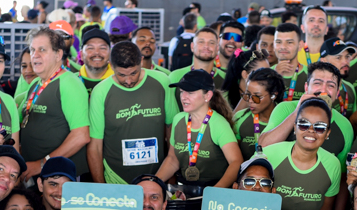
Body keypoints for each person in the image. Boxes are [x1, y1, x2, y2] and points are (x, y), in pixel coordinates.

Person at [262, 97, 343, 210]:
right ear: (294, 127)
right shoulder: (269, 155)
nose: (311, 130)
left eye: (319, 127)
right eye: (304, 124)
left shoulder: (333, 165)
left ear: (327, 133)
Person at [87, 41, 175, 186]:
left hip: (157, 176)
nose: (128, 81)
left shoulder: (162, 81)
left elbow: (172, 131)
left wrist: (171, 176)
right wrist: (102, 187)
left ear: (141, 61)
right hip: (115, 179)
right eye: (121, 75)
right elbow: (95, 146)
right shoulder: (100, 92)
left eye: (134, 73)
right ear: (111, 65)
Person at [19, 25, 91, 178]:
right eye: (32, 50)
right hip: (34, 174)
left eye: (42, 50)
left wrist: (42, 164)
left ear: (58, 55)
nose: (35, 55)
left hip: (61, 177)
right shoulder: (35, 83)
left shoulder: (69, 83)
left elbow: (81, 135)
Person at [155, 69, 241, 191]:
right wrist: (154, 182)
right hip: (183, 190)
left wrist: (214, 191)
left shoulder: (218, 124)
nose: (183, 97)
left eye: (190, 92)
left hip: (212, 189)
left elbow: (236, 162)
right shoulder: (178, 119)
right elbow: (173, 159)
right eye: (182, 91)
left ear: (208, 96)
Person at [259, 61, 355, 165]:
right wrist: (296, 112)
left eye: (331, 85)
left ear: (337, 93)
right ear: (306, 87)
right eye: (317, 83)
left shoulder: (345, 125)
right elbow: (263, 147)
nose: (323, 90)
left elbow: (341, 169)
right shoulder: (285, 108)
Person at [167, 27, 225, 110]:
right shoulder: (175, 76)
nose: (206, 46)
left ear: (217, 48)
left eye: (211, 43)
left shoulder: (225, 78)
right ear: (192, 46)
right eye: (201, 42)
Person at [233, 67, 282, 160]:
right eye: (248, 95)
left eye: (257, 97)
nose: (250, 101)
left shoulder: (286, 119)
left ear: (273, 95)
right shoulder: (240, 118)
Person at [272, 22, 308, 102]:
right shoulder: (264, 75)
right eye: (278, 42)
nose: (283, 47)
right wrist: (273, 77)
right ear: (273, 45)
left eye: (289, 42)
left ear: (300, 45)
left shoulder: (310, 75)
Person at [78, 27, 113, 96]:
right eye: (90, 48)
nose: (97, 52)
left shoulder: (120, 81)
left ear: (110, 54)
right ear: (81, 55)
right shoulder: (72, 81)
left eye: (102, 48)